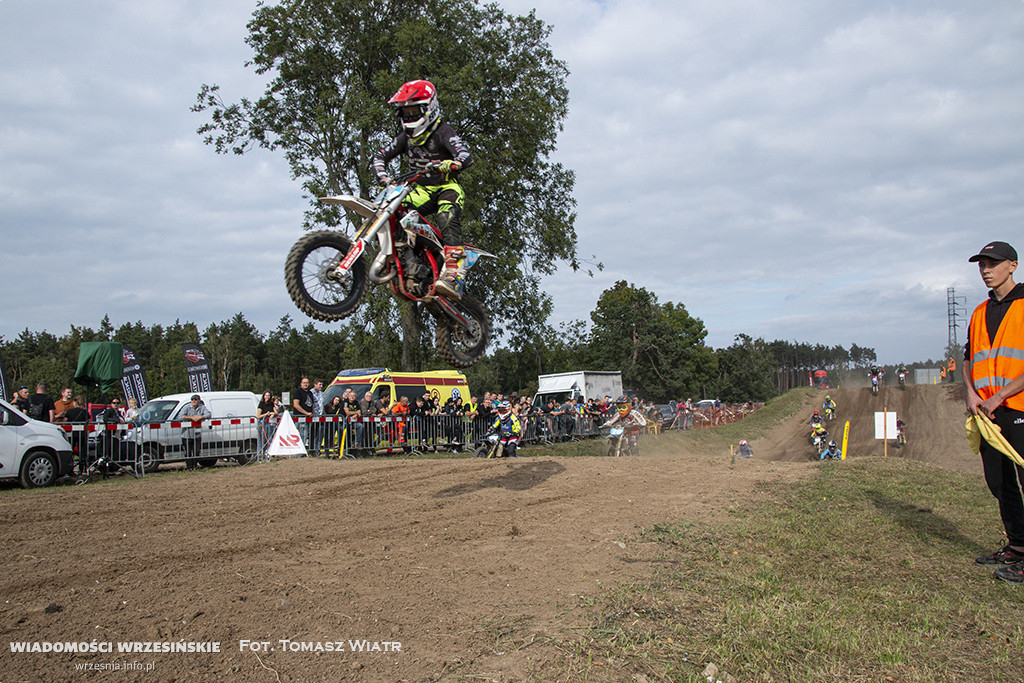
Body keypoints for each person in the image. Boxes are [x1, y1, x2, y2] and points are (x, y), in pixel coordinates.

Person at [371, 79, 473, 300]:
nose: (409, 116)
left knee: (446, 216)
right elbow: (380, 156)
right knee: (393, 210)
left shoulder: (444, 131)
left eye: (413, 110)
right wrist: (383, 177)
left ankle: (454, 274)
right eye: (405, 111)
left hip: (447, 186)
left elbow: (465, 154)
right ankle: (407, 261)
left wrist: (454, 163)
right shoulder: (405, 138)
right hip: (421, 190)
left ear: (429, 108)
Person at [960, 241, 1024, 584]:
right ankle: (1018, 546)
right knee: (999, 482)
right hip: (986, 412)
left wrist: (1000, 396)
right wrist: (970, 393)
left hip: (1017, 407)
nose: (985, 269)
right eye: (982, 263)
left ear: (1012, 265)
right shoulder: (979, 312)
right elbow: (969, 358)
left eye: (993, 263)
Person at [180, 394, 211, 471]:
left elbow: (208, 414)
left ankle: (195, 465)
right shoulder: (187, 407)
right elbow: (180, 416)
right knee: (188, 452)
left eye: (195, 399)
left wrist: (200, 417)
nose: (193, 401)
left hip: (197, 434)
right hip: (186, 434)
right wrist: (192, 418)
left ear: (199, 400)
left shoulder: (202, 407)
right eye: (192, 399)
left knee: (196, 451)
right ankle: (189, 467)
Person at [63, 396, 91, 475]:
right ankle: (81, 469)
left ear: (75, 403)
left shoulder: (69, 412)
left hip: (71, 434)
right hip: (82, 434)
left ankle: (70, 469)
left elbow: (65, 422)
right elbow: (88, 422)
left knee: (70, 451)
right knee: (82, 452)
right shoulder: (85, 412)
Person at [292, 377, 314, 454]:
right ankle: (300, 453)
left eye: (307, 382)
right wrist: (306, 413)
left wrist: (312, 413)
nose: (306, 384)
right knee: (302, 435)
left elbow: (312, 405)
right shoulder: (297, 392)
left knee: (306, 435)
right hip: (300, 418)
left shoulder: (310, 393)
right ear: (301, 383)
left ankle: (304, 451)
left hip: (308, 418)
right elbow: (296, 405)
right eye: (304, 383)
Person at [256, 391, 279, 461]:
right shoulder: (261, 404)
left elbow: (276, 412)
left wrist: (273, 414)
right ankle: (260, 456)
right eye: (266, 395)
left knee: (269, 440)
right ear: (263, 396)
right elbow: (258, 416)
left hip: (269, 424)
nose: (267, 397)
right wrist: (266, 414)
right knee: (261, 440)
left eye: (268, 395)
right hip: (262, 424)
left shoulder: (271, 404)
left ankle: (268, 456)